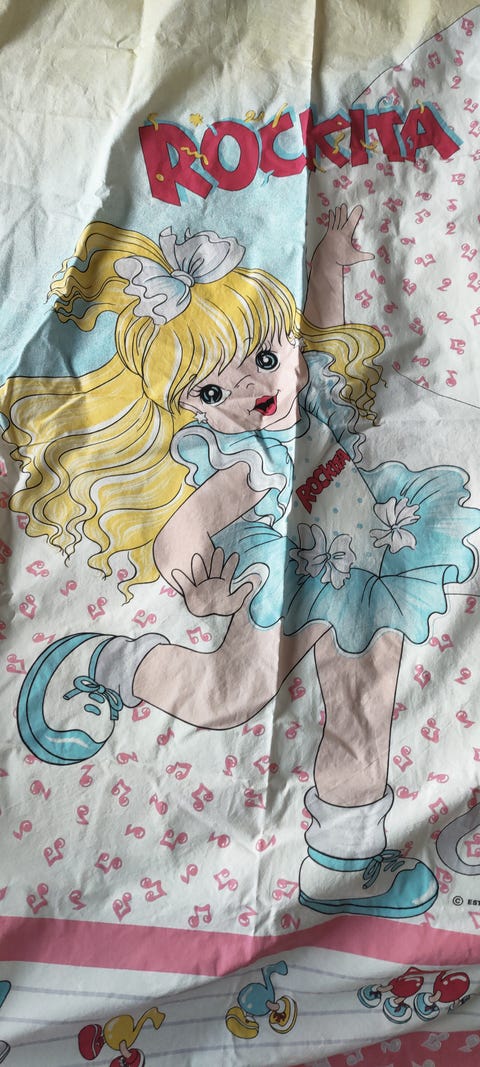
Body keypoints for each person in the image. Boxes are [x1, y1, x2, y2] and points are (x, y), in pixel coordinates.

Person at [2, 207, 479, 919]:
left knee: (366, 699)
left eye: (262, 358)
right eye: (212, 391)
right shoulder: (246, 461)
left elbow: (318, 327)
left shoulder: (309, 392)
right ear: (190, 408)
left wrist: (328, 264)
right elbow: (179, 537)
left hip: (372, 563)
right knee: (231, 694)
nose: (254, 388)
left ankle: (344, 862)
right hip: (286, 578)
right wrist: (201, 592)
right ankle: (111, 662)